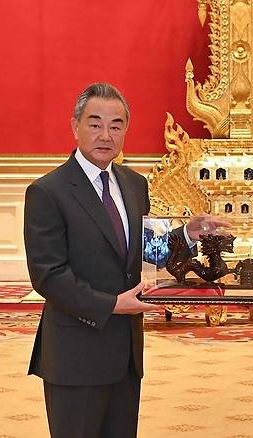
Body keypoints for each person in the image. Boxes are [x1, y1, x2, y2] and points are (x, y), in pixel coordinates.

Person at [24, 82, 227, 438]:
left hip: (126, 356)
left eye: (116, 125)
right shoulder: (48, 192)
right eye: (95, 123)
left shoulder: (134, 185)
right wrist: (112, 304)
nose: (106, 135)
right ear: (75, 126)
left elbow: (147, 253)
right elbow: (48, 276)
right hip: (76, 355)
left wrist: (187, 236)